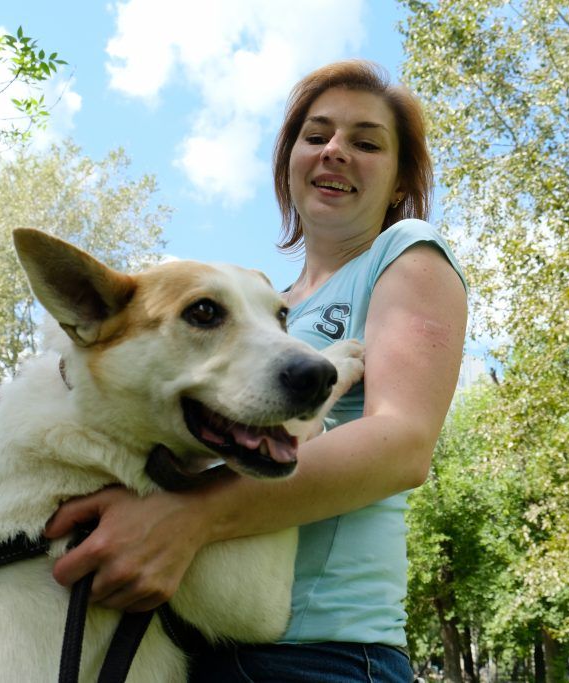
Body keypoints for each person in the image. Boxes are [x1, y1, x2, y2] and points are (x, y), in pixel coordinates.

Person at [42, 60, 468, 681]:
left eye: (366, 142)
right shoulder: (268, 308)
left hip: (323, 654)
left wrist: (191, 519)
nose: (336, 152)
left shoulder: (406, 253)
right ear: (289, 158)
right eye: (316, 135)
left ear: (399, 178)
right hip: (188, 640)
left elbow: (402, 444)